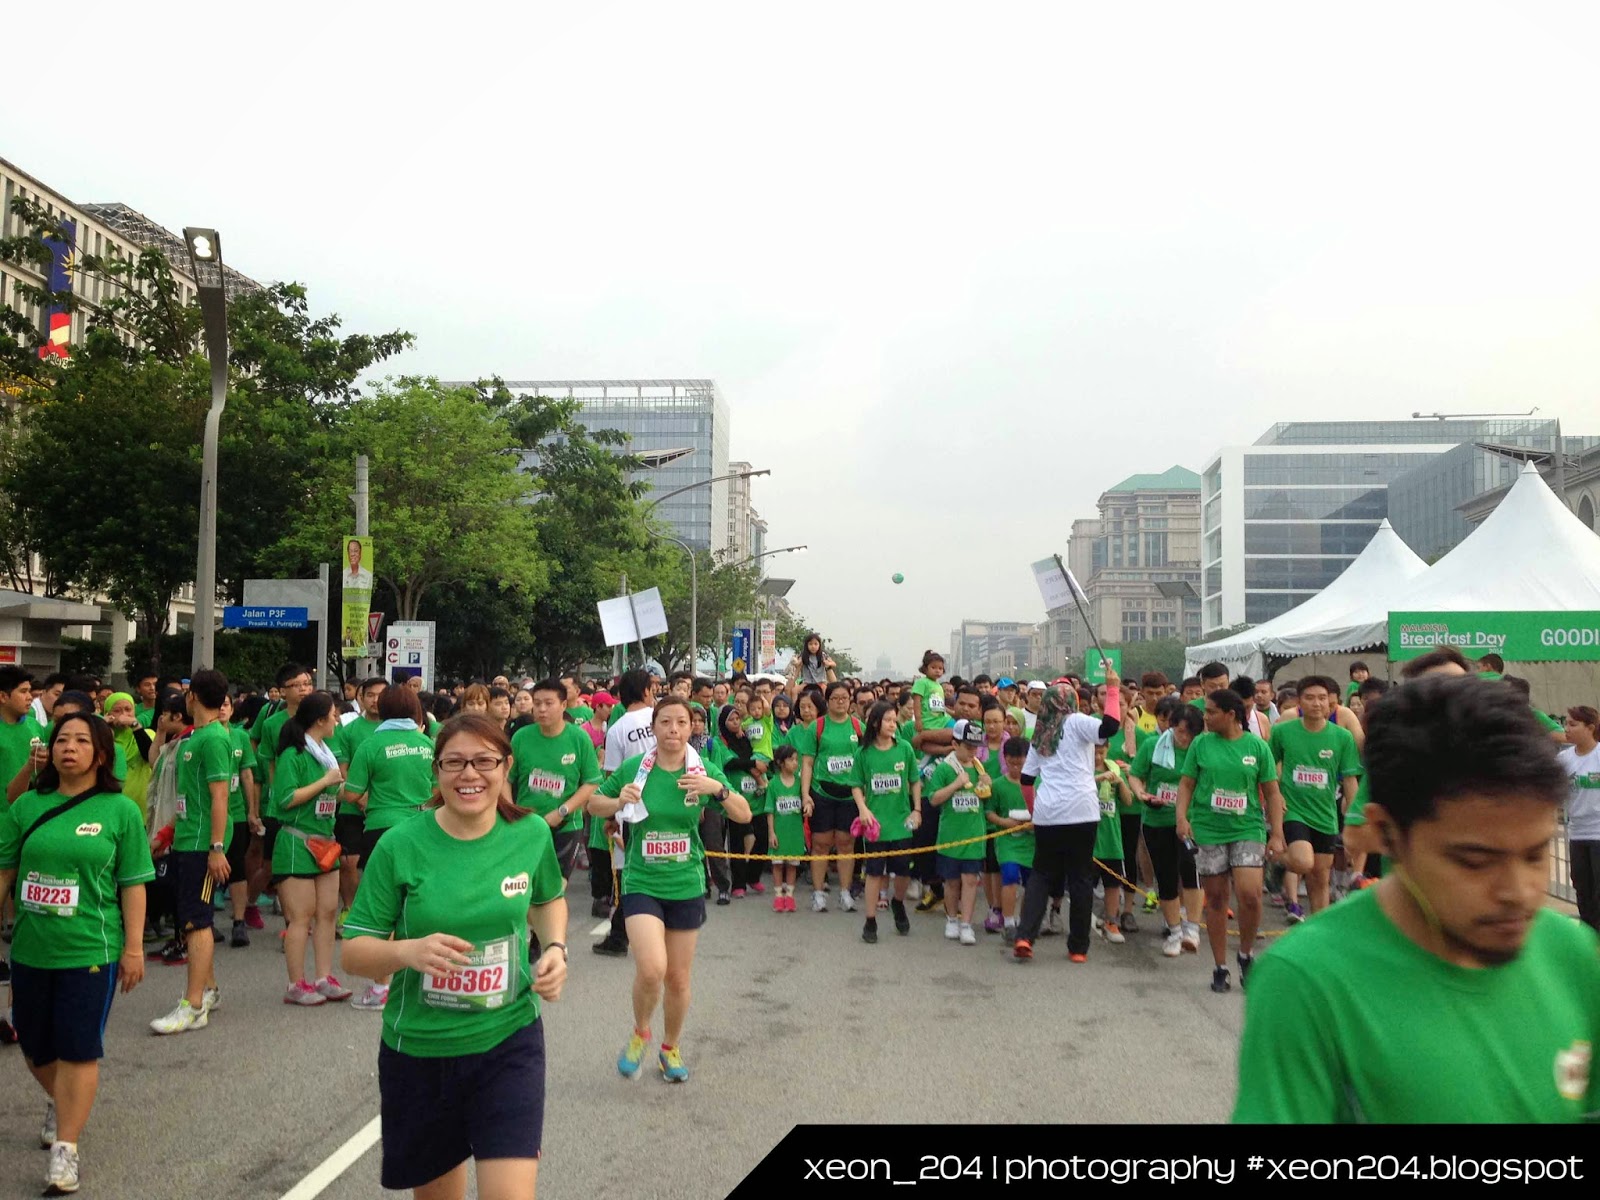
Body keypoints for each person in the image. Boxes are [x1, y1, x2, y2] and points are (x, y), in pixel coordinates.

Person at [1232, 675, 1600, 1122]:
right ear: (1387, 833)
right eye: (1474, 861)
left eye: (1535, 853)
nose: (1517, 892)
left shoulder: (1573, 955)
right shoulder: (1307, 982)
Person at [342, 714, 568, 1196]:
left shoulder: (530, 834)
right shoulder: (400, 845)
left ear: (507, 767)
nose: (470, 774)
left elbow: (547, 900)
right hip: (422, 1054)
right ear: (436, 773)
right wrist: (407, 950)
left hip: (508, 1041)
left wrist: (554, 948)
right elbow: (354, 952)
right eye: (455, 762)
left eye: (485, 761)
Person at [0, 712, 153, 1195]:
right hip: (30, 949)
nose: (69, 747)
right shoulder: (26, 807)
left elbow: (132, 884)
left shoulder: (119, 812)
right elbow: (5, 873)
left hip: (91, 949)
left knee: (78, 1048)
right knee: (34, 1046)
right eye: (61, 739)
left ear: (101, 753)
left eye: (81, 740)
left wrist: (134, 949)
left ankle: (66, 1150)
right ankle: (64, 1101)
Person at [588, 697, 747, 1082]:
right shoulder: (634, 768)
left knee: (677, 977)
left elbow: (743, 813)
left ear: (693, 727)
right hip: (642, 880)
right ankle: (641, 1031)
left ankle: (670, 1046)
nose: (674, 730)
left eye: (682, 722)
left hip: (686, 882)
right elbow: (593, 803)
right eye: (666, 722)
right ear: (654, 728)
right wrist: (616, 800)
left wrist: (717, 790)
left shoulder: (703, 768)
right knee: (651, 969)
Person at [1177, 687, 1285, 995]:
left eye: (1211, 712)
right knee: (1216, 897)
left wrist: (1276, 832)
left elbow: (1273, 793)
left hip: (1248, 827)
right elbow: (1186, 784)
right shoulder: (1201, 744)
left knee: (1250, 894)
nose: (1206, 717)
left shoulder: (1257, 747)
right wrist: (1181, 818)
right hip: (1209, 828)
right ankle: (1221, 965)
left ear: (1231, 715)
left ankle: (1246, 954)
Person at [1012, 676, 1123, 963]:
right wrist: (1112, 689)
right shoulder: (1076, 722)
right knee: (1080, 878)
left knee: (1041, 874)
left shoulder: (1041, 734)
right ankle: (1077, 947)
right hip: (1082, 811)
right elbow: (1110, 726)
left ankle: (1025, 935)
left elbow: (1026, 779)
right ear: (1072, 701)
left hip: (1049, 811)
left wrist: (1035, 811)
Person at [149, 670, 234, 1036]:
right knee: (191, 919)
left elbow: (219, 796)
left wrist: (216, 847)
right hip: (186, 839)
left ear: (193, 697)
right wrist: (167, 833)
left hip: (203, 846)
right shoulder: (192, 738)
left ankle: (193, 1004)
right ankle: (209, 989)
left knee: (196, 922)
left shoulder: (214, 738)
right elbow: (191, 799)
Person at [341, 685, 436, 1009]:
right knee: (417, 902)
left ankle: (381, 987)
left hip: (381, 828)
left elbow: (352, 794)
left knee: (382, 909)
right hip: (421, 828)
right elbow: (439, 790)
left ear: (380, 708)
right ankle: (416, 977)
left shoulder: (371, 745)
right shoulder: (427, 744)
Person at [271, 692, 352, 1006]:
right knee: (301, 917)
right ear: (320, 719)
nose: (337, 720)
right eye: (333, 714)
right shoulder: (294, 754)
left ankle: (323, 977)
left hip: (325, 841)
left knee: (328, 912)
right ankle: (296, 984)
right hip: (296, 841)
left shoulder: (326, 753)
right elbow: (285, 799)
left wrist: (354, 788)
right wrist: (325, 782)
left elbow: (336, 791)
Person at [1269, 676, 1362, 923]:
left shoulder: (1342, 738)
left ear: (1332, 703)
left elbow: (1351, 780)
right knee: (1302, 861)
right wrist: (1275, 795)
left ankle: (1317, 930)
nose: (1317, 703)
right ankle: (1277, 862)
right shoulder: (1282, 731)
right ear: (1299, 702)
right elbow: (1267, 768)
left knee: (1320, 877)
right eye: (1310, 698)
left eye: (1322, 698)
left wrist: (1353, 818)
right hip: (1293, 810)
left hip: (1325, 813)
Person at [1130, 703, 1205, 956]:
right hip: (1157, 819)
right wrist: (1142, 793)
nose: (1183, 738)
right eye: (1179, 731)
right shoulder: (1153, 746)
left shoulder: (1202, 750)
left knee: (1191, 869)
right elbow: (1136, 774)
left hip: (1190, 822)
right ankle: (1174, 931)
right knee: (1166, 877)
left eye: (1189, 733)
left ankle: (1192, 928)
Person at [510, 680, 602, 885]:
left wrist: (562, 811)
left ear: (563, 705)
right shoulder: (520, 738)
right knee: (525, 886)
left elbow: (591, 782)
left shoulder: (579, 738)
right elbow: (506, 779)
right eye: (537, 703)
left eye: (549, 703)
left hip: (566, 825)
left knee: (557, 887)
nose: (542, 709)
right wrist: (512, 812)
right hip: (527, 824)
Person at [592, 671, 657, 956]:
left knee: (630, 871)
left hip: (631, 809)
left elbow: (611, 778)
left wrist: (610, 817)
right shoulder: (663, 718)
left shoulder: (617, 729)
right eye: (652, 688)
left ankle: (621, 934)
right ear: (644, 691)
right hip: (665, 803)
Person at [850, 701, 920, 942]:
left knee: (902, 871)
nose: (893, 724)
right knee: (874, 873)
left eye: (894, 720)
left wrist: (917, 810)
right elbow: (856, 785)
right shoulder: (863, 753)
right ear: (876, 723)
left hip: (901, 823)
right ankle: (870, 921)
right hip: (875, 826)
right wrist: (863, 809)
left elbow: (914, 781)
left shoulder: (905, 749)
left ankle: (898, 903)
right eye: (888, 720)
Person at [796, 681, 864, 913]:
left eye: (845, 697)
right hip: (822, 792)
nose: (840, 702)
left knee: (846, 844)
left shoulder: (857, 726)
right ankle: (818, 893)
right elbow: (807, 762)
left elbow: (866, 761)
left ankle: (845, 893)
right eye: (835, 698)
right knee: (821, 844)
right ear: (827, 701)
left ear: (850, 700)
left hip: (849, 795)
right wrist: (806, 795)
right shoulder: (818, 726)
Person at [1559, 706, 1600, 931]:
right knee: (1582, 888)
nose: (1567, 729)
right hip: (1577, 833)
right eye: (1566, 723)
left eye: (1573, 724)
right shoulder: (1564, 759)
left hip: (1599, 834)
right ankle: (1588, 939)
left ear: (1590, 728)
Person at [765, 746, 806, 913]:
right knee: (777, 864)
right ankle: (778, 895)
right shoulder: (773, 784)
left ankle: (789, 894)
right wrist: (771, 832)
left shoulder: (799, 783)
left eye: (797, 759)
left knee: (792, 865)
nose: (795, 763)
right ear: (781, 763)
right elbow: (770, 810)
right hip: (779, 831)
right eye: (791, 759)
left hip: (795, 831)